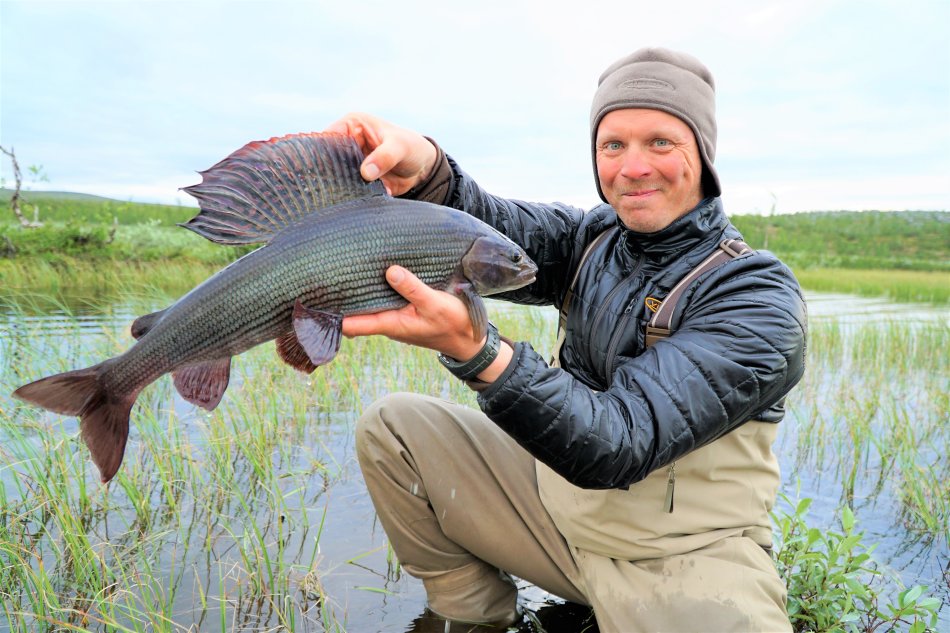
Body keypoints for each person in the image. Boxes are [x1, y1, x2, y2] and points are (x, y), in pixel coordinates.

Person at [328, 47, 807, 632]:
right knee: (394, 428)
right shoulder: (594, 238)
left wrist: (480, 354)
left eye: (660, 142)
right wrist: (426, 171)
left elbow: (619, 443)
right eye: (613, 145)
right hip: (555, 516)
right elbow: (486, 222)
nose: (633, 167)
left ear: (702, 156)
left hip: (676, 557)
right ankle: (473, 614)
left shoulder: (756, 296)